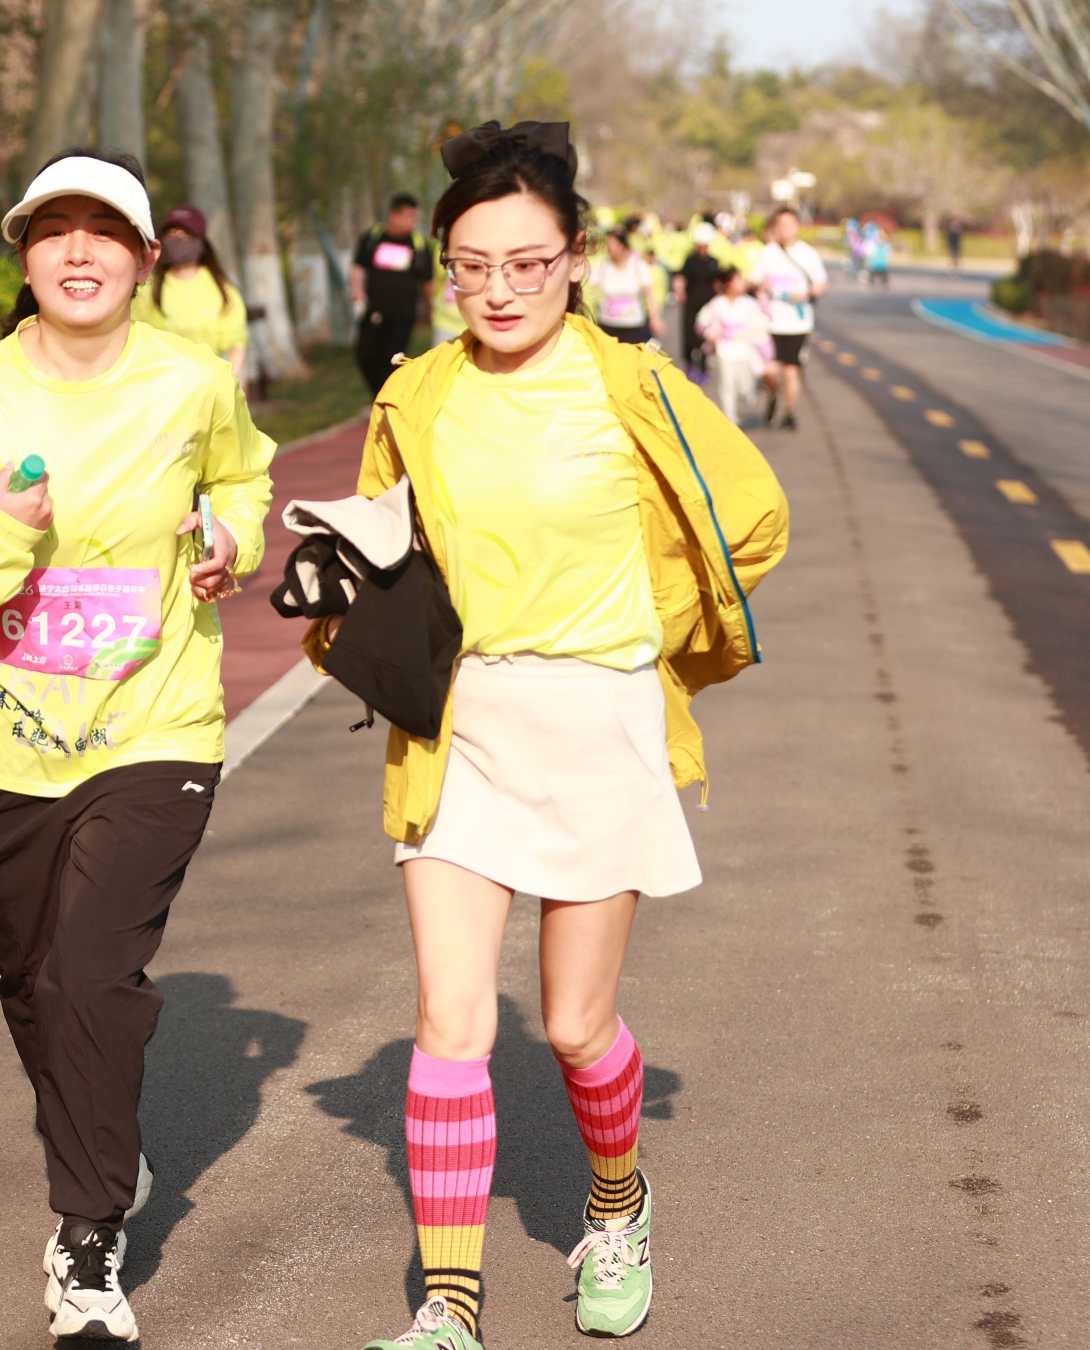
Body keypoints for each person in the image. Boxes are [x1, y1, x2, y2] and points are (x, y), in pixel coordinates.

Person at [330, 120, 789, 1350]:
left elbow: (754, 518)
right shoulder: (415, 393)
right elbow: (386, 539)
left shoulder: (635, 385)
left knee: (577, 1026)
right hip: (464, 728)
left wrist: (652, 630)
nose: (499, 290)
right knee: (452, 1022)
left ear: (577, 257)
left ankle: (618, 1204)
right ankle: (449, 1310)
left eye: (527, 263)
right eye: (473, 266)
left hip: (599, 719)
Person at [0, 149, 275, 1343]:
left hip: (156, 721)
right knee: (34, 986)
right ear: (23, 256)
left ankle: (90, 1238)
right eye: (52, 230)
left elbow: (245, 479)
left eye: (103, 231)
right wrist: (4, 538)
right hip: (7, 740)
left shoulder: (191, 381)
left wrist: (231, 542)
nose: (77, 251)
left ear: (145, 257)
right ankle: (102, 1140)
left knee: (91, 976)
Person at [132, 203, 248, 377]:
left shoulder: (222, 289)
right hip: (160, 382)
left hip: (207, 383)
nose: (177, 240)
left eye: (185, 234)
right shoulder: (147, 287)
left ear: (201, 243)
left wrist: (228, 384)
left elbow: (236, 344)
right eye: (171, 234)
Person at [752, 206, 828, 431]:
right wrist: (762, 286)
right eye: (780, 225)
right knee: (770, 370)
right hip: (769, 323)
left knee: (791, 369)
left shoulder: (808, 254)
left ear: (797, 226)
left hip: (797, 323)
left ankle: (789, 411)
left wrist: (807, 293)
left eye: (788, 225)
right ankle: (773, 396)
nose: (784, 229)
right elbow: (753, 280)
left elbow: (822, 283)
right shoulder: (768, 253)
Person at [352, 192, 436, 393]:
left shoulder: (419, 245)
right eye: (409, 217)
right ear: (394, 215)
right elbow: (358, 267)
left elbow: (428, 280)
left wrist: (432, 307)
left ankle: (387, 399)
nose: (413, 222)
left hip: (403, 313)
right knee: (365, 354)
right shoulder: (373, 238)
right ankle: (378, 395)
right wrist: (356, 289)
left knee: (392, 360)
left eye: (415, 217)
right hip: (375, 310)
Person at [694, 265, 772, 426]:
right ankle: (730, 420)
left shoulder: (749, 303)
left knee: (745, 387)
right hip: (724, 351)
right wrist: (710, 334)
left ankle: (748, 392)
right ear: (728, 284)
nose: (742, 284)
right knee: (726, 385)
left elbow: (763, 321)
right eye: (738, 280)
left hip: (745, 351)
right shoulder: (716, 304)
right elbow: (702, 322)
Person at [587, 225, 660, 345]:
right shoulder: (603, 267)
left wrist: (654, 318)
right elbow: (590, 290)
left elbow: (648, 294)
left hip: (633, 325)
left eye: (612, 244)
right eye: (607, 244)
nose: (608, 248)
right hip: (607, 324)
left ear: (622, 246)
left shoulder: (638, 266)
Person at [675, 219, 726, 379]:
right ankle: (689, 364)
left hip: (708, 303)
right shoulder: (690, 260)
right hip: (692, 302)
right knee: (689, 334)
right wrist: (680, 291)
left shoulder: (713, 262)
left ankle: (703, 368)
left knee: (705, 335)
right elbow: (681, 277)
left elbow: (718, 282)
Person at [863, 219, 892, 289]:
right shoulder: (874, 242)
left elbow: (888, 251)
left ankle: (883, 282)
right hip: (876, 261)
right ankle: (872, 281)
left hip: (880, 261)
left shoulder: (884, 244)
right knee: (873, 272)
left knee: (881, 272)